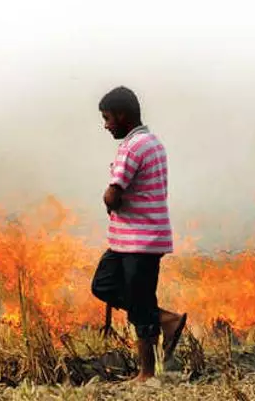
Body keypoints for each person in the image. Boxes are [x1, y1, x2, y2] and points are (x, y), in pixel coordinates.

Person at [90, 86, 187, 383]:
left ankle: (147, 373)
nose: (105, 125)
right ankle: (166, 320)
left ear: (122, 115)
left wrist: (109, 201)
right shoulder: (152, 142)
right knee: (104, 285)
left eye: (107, 118)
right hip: (130, 239)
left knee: (140, 301)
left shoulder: (132, 147)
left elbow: (113, 192)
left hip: (139, 240)